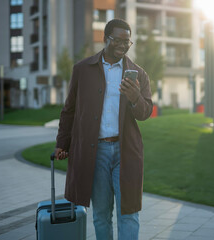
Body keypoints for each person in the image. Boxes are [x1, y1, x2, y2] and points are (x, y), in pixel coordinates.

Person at [54, 19, 153, 240]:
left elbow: (145, 113)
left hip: (125, 153)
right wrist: (62, 142)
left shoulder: (139, 74)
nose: (122, 45)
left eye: (127, 41)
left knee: (129, 213)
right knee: (100, 214)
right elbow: (69, 110)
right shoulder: (83, 70)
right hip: (95, 152)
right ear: (104, 38)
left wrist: (135, 97)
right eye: (117, 40)